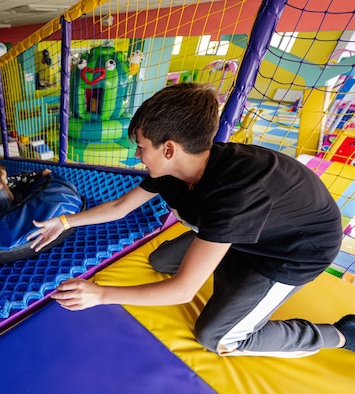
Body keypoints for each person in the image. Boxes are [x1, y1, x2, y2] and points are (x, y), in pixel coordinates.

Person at [28, 82, 355, 357]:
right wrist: (66, 222)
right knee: (161, 260)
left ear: (169, 148)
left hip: (288, 254)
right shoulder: (177, 168)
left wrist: (101, 294)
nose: (137, 155)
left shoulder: (233, 194)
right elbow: (119, 207)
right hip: (249, 231)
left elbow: (183, 291)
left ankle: (340, 335)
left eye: (141, 147)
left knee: (216, 338)